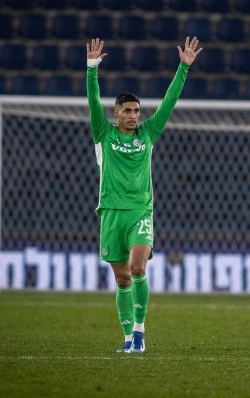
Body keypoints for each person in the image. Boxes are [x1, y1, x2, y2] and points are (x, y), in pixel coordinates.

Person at [86, 37, 203, 353]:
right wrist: (92, 69)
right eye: (128, 111)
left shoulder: (148, 134)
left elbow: (169, 102)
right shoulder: (104, 133)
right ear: (116, 113)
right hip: (111, 212)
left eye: (137, 111)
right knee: (122, 279)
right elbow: (92, 101)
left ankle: (139, 334)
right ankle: (126, 339)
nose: (134, 115)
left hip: (140, 211)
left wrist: (183, 69)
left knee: (138, 269)